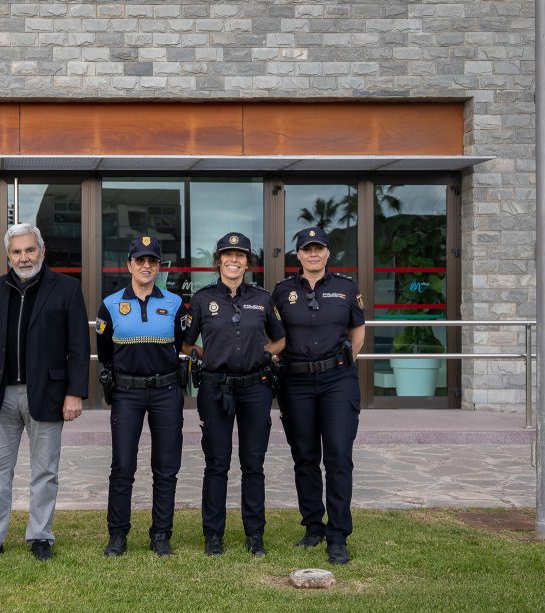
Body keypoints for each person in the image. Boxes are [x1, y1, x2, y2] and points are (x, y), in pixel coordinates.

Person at [0, 223, 90, 561]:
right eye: (16, 252)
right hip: (0, 393)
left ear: (42, 251)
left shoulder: (67, 288)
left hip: (47, 393)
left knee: (45, 471)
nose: (24, 257)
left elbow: (78, 345)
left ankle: (40, 537)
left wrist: (75, 392)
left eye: (29, 250)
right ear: (8, 257)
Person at [182, 232, 285, 557]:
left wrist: (264, 354)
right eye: (228, 255)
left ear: (248, 262)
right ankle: (214, 535)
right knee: (217, 463)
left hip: (255, 388)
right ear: (218, 261)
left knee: (253, 464)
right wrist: (206, 356)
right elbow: (185, 343)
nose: (234, 260)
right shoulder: (202, 299)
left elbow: (281, 339)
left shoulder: (263, 299)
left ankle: (255, 535)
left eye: (240, 255)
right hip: (215, 389)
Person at [271, 227, 365, 565]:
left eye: (319, 249)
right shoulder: (282, 292)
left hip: (337, 381)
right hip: (295, 384)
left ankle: (338, 535)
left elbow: (357, 331)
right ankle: (314, 526)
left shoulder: (345, 288)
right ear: (299, 255)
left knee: (338, 456)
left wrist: (340, 362)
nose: (313, 254)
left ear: (327, 253)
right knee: (305, 457)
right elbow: (272, 333)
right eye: (307, 249)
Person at [96, 236, 189, 557]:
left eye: (152, 261)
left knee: (166, 467)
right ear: (129, 265)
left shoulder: (175, 304)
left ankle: (161, 534)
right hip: (126, 394)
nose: (146, 266)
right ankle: (118, 535)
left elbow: (181, 344)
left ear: (159, 267)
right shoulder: (110, 305)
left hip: (166, 391)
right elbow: (104, 352)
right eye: (140, 260)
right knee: (122, 466)